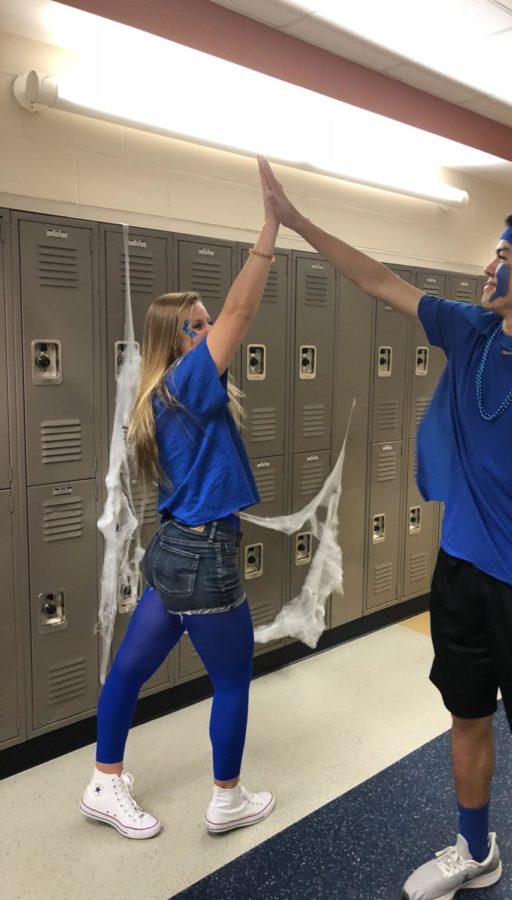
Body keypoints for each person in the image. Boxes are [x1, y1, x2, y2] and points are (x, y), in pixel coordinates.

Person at [259, 159, 512, 900]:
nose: (487, 266)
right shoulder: (468, 332)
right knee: (465, 718)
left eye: (504, 256)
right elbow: (377, 281)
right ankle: (474, 851)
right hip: (459, 569)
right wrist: (298, 223)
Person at [80, 159, 280, 839]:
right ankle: (227, 800)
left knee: (131, 668)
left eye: (204, 324)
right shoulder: (187, 382)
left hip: (172, 550)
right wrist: (269, 230)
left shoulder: (161, 392)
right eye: (195, 326)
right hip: (201, 552)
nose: (208, 332)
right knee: (232, 680)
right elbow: (242, 310)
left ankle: (104, 781)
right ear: (176, 340)